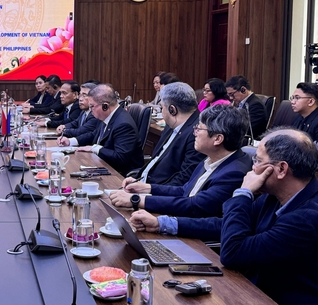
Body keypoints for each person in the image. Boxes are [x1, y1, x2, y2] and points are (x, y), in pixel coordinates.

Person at [130, 128, 318, 304]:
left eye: (258, 161)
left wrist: (243, 193)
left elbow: (233, 253)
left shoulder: (307, 218)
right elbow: (226, 225)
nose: (252, 170)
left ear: (281, 169)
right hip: (250, 289)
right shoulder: (274, 198)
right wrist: (160, 224)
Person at [110, 104, 251, 217]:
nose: (194, 133)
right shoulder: (211, 159)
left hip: (197, 240)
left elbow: (194, 205)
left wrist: (137, 200)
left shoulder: (234, 173)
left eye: (199, 129)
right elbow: (185, 191)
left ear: (218, 139)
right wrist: (146, 188)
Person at [58, 84, 142, 175]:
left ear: (105, 106)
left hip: (117, 175)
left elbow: (120, 157)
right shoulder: (108, 116)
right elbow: (94, 134)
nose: (90, 110)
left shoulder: (123, 125)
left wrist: (94, 148)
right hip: (102, 164)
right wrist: (70, 141)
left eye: (92, 106)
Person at [134, 82, 205, 186]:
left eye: (162, 107)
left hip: (157, 194)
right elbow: (156, 160)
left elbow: (184, 179)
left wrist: (148, 190)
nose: (162, 112)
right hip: (142, 184)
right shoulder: (171, 125)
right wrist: (136, 180)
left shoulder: (197, 133)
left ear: (172, 109)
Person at [225, 75, 267, 140]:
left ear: (243, 90)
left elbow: (247, 129)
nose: (230, 98)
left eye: (232, 94)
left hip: (247, 140)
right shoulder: (240, 103)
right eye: (229, 95)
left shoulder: (256, 105)